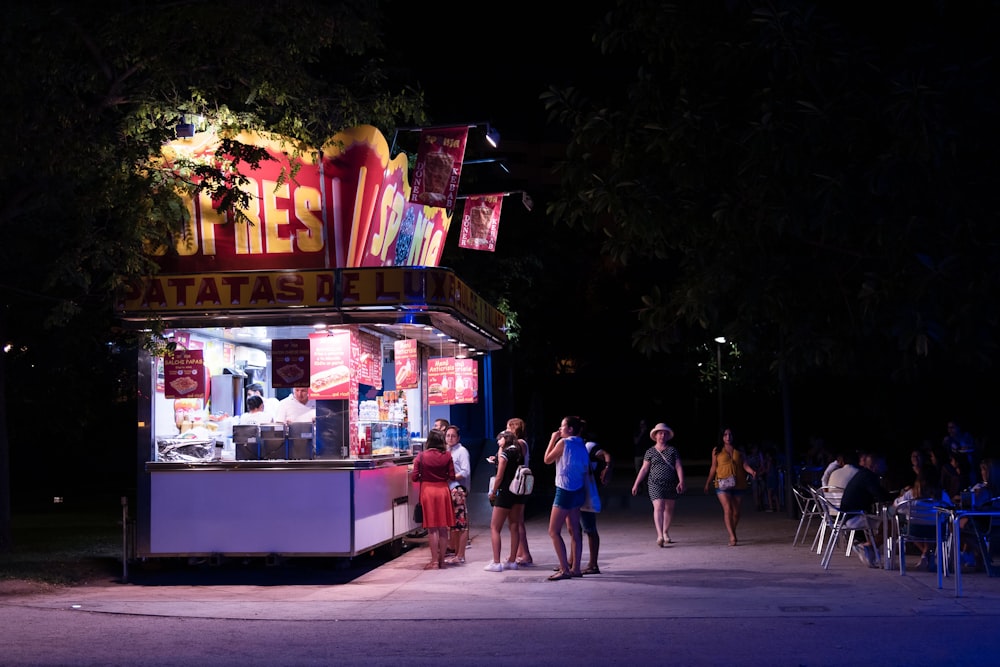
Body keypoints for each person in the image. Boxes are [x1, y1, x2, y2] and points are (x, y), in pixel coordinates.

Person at [543, 416, 588, 580]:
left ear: (569, 429)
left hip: (565, 488)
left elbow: (547, 459)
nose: (559, 429)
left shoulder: (564, 443)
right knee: (574, 530)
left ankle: (564, 569)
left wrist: (552, 439)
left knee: (553, 531)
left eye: (562, 427)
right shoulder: (581, 443)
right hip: (578, 489)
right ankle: (575, 568)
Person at [632, 422, 685, 547]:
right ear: (655, 436)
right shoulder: (650, 451)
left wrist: (681, 481)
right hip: (654, 483)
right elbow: (644, 469)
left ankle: (665, 531)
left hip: (671, 483)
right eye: (660, 433)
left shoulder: (673, 450)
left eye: (665, 433)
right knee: (659, 506)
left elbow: (678, 466)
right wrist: (636, 484)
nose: (662, 435)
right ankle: (660, 535)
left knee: (669, 508)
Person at [704, 427, 756, 547]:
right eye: (725, 435)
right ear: (722, 437)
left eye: (730, 434)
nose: (728, 437)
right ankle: (733, 536)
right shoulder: (717, 450)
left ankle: (732, 530)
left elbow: (744, 464)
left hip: (739, 483)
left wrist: (751, 471)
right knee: (728, 509)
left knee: (736, 513)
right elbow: (713, 467)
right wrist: (708, 482)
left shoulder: (739, 450)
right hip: (722, 483)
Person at [840, 451, 894, 568]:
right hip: (854, 517)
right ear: (875, 466)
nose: (886, 467)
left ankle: (870, 548)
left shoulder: (863, 474)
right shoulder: (869, 477)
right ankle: (868, 546)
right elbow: (880, 495)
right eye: (883, 464)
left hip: (847, 516)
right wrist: (896, 499)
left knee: (886, 525)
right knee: (890, 526)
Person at [411, 429, 455, 570]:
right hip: (443, 491)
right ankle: (442, 561)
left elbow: (414, 477)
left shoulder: (421, 456)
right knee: (443, 528)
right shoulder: (447, 456)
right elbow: (452, 476)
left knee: (432, 529)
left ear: (429, 441)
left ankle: (434, 562)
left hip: (428, 492)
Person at [484, 430, 525, 572]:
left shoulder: (505, 454)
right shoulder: (519, 452)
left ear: (505, 439)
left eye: (499, 439)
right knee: (514, 525)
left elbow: (500, 476)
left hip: (505, 492)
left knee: (495, 527)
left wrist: (493, 491)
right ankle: (512, 561)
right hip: (518, 493)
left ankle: (496, 562)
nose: (497, 442)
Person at [576, 427, 611, 574]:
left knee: (589, 528)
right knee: (575, 529)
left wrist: (607, 468)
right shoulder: (570, 446)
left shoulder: (588, 446)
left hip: (585, 492)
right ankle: (572, 562)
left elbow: (605, 455)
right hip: (573, 491)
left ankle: (593, 564)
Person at [507, 417, 534, 566]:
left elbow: (515, 461)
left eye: (508, 428)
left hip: (519, 485)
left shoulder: (520, 443)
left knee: (518, 522)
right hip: (518, 484)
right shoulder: (520, 444)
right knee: (515, 521)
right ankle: (519, 552)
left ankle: (526, 554)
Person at [444, 425, 470, 565]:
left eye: (453, 436)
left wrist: (451, 478)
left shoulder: (462, 451)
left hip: (457, 490)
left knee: (461, 524)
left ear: (458, 437)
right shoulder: (446, 451)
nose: (450, 438)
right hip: (448, 490)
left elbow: (465, 471)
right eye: (448, 435)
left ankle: (461, 555)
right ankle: (454, 552)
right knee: (452, 524)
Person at [632, 418, 649, 495]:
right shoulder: (637, 432)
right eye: (641, 424)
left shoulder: (649, 434)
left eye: (644, 424)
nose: (642, 426)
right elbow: (636, 442)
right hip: (638, 455)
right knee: (639, 472)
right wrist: (641, 433)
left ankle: (648, 489)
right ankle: (640, 488)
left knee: (647, 473)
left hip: (647, 456)